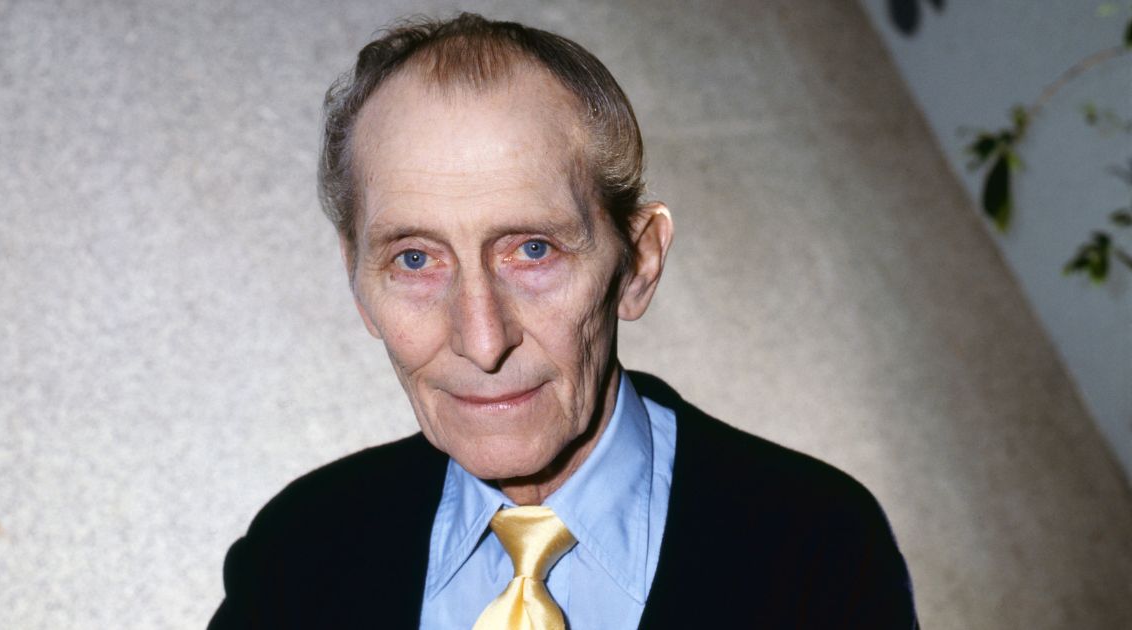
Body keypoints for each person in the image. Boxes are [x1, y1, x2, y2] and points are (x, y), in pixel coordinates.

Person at [210, 13, 918, 629]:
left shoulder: (819, 548)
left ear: (638, 263)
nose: (482, 341)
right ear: (357, 280)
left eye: (533, 250)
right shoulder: (297, 551)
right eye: (416, 260)